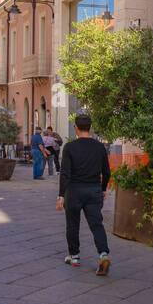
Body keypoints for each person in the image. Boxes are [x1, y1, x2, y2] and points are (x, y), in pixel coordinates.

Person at [55, 114, 111, 276]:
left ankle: (74, 257)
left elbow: (65, 173)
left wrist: (61, 195)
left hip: (74, 191)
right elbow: (106, 172)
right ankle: (103, 254)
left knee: (72, 224)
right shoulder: (99, 147)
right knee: (96, 224)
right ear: (90, 128)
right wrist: (103, 189)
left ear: (76, 129)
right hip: (93, 190)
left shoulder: (70, 148)